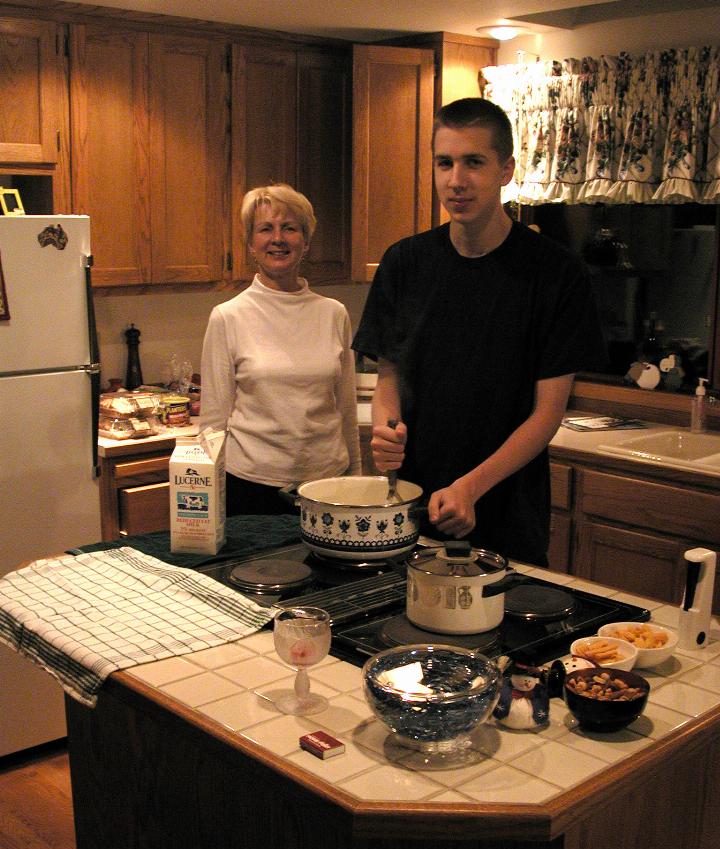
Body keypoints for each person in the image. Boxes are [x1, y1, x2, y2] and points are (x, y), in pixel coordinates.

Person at [352, 98, 606, 565]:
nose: (456, 180)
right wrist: (385, 430)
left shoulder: (555, 274)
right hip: (410, 509)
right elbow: (389, 377)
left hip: (508, 514)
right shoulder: (404, 263)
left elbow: (546, 415)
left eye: (474, 162)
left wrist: (471, 486)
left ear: (505, 170)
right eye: (444, 162)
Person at [200, 183, 361, 515]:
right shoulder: (228, 317)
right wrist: (208, 501)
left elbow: (346, 408)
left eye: (290, 227)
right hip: (250, 486)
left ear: (305, 241)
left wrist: (356, 479)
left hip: (327, 483)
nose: (278, 238)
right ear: (251, 243)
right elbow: (213, 424)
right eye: (265, 229)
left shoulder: (333, 313)